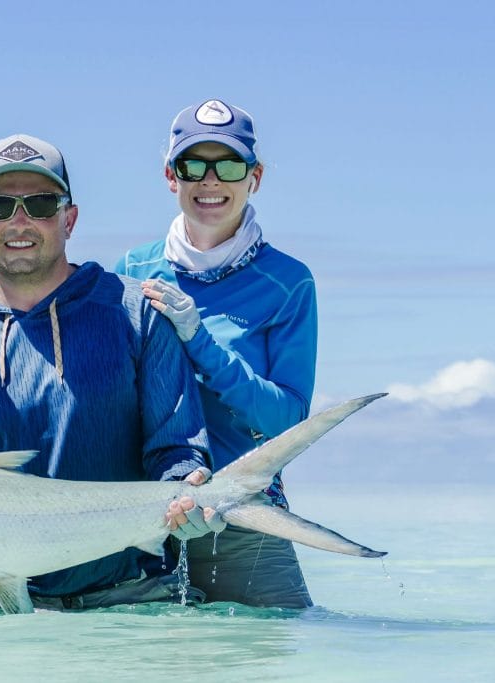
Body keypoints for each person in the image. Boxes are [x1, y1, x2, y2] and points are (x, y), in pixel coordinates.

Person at [0, 133, 219, 611]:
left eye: (39, 203)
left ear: (69, 219)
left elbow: (176, 453)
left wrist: (189, 496)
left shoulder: (137, 314)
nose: (20, 221)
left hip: (129, 591)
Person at [114, 99, 318, 609]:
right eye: (192, 165)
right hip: (148, 519)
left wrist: (196, 337)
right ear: (170, 176)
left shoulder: (289, 283)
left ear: (256, 176)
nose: (210, 181)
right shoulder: (130, 268)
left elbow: (286, 419)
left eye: (227, 165)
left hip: (242, 515)